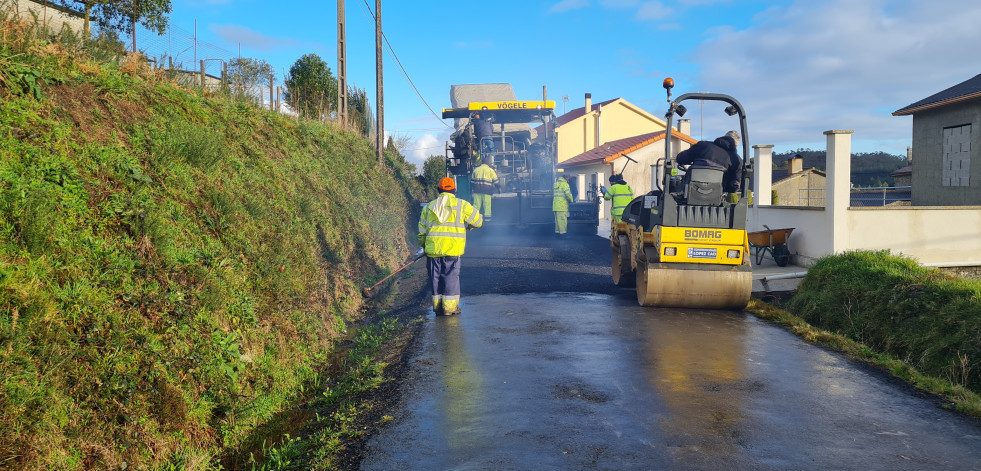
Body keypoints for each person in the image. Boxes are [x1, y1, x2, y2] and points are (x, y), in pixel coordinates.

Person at [418, 177, 483, 315]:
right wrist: (469, 225)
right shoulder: (462, 205)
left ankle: (437, 307)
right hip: (453, 250)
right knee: (450, 278)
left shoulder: (429, 207)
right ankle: (449, 309)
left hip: (433, 251)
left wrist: (424, 246)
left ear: (438, 190)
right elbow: (478, 221)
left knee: (435, 279)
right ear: (454, 190)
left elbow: (422, 231)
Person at [675, 130, 743, 193]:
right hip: (716, 196)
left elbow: (680, 158)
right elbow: (734, 185)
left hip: (690, 191)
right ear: (735, 145)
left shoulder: (703, 145)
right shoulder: (736, 160)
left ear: (724, 137)